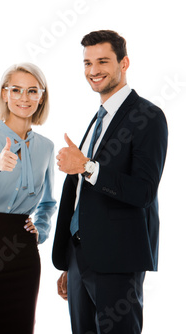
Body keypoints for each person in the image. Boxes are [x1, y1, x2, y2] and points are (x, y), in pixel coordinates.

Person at [52, 30, 168, 334]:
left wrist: (87, 166)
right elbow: (82, 194)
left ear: (124, 63)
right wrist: (70, 260)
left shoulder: (148, 116)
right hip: (80, 258)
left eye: (102, 61)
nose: (93, 71)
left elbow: (143, 191)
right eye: (87, 63)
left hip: (118, 260)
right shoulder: (98, 117)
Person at [0, 63, 57, 333]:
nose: (24, 98)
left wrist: (40, 230)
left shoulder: (46, 147)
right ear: (4, 94)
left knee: (20, 324)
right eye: (16, 90)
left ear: (41, 97)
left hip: (22, 250)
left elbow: (48, 202)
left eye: (32, 91)